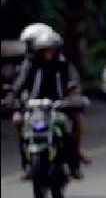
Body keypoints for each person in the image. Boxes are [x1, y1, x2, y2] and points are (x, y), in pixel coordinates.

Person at [9, 28, 89, 180]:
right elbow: (20, 84)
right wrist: (12, 97)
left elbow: (74, 82)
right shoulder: (30, 64)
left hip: (60, 105)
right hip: (34, 106)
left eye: (51, 49)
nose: (48, 52)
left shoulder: (63, 64)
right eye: (44, 49)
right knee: (19, 122)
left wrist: (74, 96)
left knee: (74, 121)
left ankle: (75, 162)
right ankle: (27, 163)